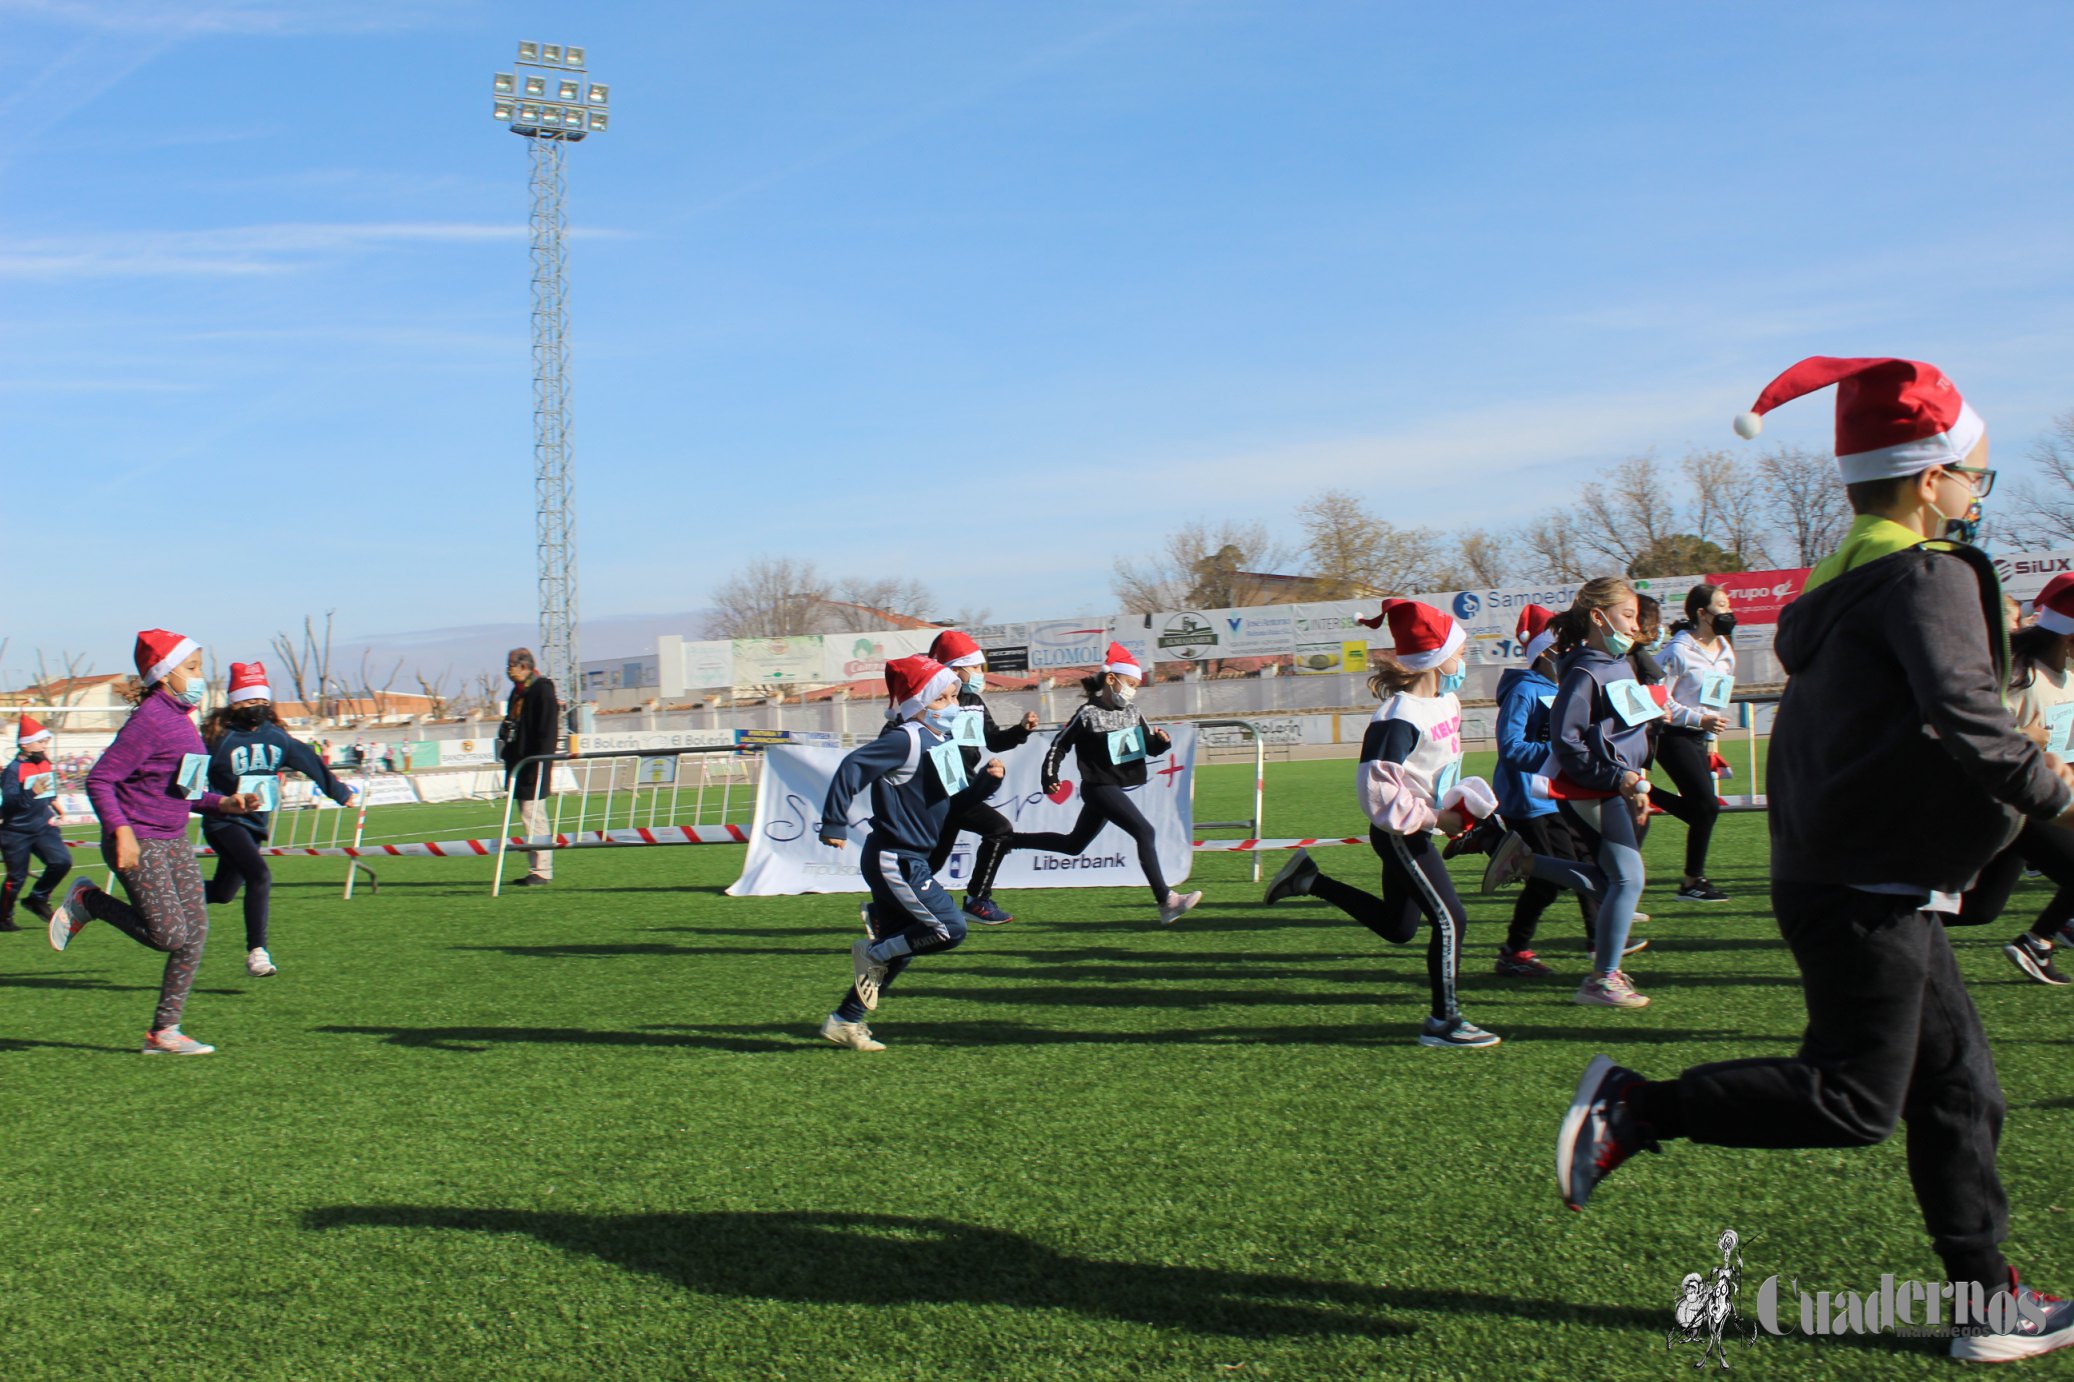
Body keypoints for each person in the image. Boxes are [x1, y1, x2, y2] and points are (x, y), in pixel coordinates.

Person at [1558, 356, 2074, 1363]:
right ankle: (1634, 1105)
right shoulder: (1921, 573)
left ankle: (1988, 1299)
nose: (1976, 492)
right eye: (1976, 475)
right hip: (1861, 880)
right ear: (1931, 479)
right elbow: (1968, 720)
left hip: (1865, 872)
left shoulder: (1847, 575)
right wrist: (2059, 792)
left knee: (1962, 1090)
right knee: (1852, 1098)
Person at [1261, 599, 1501, 1048]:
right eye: (1462, 652)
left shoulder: (1448, 701)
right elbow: (1379, 793)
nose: (1466, 662)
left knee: (1399, 928)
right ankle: (1443, 1022)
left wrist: (1462, 806)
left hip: (1422, 826)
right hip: (1401, 834)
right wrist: (1438, 816)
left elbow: (1434, 772)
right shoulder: (1398, 718)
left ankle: (1310, 879)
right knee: (1452, 920)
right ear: (1436, 657)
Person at [46, 629, 261, 1056]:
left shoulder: (183, 719)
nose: (201, 676)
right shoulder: (150, 720)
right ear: (164, 674)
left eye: (201, 667)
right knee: (168, 936)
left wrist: (228, 804)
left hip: (173, 838)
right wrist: (120, 831)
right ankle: (89, 902)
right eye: (193, 667)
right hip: (137, 840)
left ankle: (164, 1032)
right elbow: (101, 779)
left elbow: (188, 792)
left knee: (195, 932)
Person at [1483, 577, 1659, 1009]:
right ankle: (1602, 977)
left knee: (1609, 878)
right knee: (1627, 876)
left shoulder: (1617, 664)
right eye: (1628, 616)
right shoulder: (1583, 670)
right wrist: (1619, 779)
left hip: (1619, 783)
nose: (1635, 626)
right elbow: (1567, 742)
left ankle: (1524, 862)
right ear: (1599, 618)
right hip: (1595, 786)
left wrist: (1638, 774)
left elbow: (1628, 730)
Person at [818, 655, 1006, 1051]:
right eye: (941, 700)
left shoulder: (942, 742)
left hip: (908, 858)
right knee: (949, 929)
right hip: (894, 858)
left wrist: (987, 786)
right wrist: (833, 823)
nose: (952, 705)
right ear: (917, 706)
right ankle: (872, 951)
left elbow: (956, 800)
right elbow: (851, 767)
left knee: (904, 946)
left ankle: (844, 1020)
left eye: (955, 696)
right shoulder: (905, 738)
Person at [1002, 643, 1202, 925]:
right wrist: (1050, 775)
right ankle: (1166, 900)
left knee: (1073, 845)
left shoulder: (1134, 712)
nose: (1132, 690)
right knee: (1145, 832)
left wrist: (1160, 744)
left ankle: (1010, 840)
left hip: (1112, 788)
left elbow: (1146, 748)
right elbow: (1059, 746)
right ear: (1112, 679)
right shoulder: (1087, 714)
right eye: (1130, 684)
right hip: (1097, 788)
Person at [199, 661, 358, 977]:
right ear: (234, 703)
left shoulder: (277, 738)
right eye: (247, 702)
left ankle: (167, 890)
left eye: (260, 701)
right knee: (260, 875)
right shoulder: (218, 739)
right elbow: (187, 778)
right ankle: (257, 952)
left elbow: (309, 761)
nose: (255, 707)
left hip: (255, 824)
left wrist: (339, 792)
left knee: (222, 892)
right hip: (224, 821)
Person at [1953, 572, 2074, 985]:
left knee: (1978, 910)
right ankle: (2038, 943)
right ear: (2068, 638)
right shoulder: (2017, 675)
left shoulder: (2067, 681)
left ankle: (1876, 920)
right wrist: (2026, 737)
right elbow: (1971, 735)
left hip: (2030, 802)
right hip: (2004, 800)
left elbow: (2067, 756)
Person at [1489, 605, 1599, 977]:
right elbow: (1510, 747)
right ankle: (1513, 951)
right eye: (1566, 647)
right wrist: (1559, 752)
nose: (1572, 652)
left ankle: (1601, 941)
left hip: (1551, 796)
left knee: (1580, 864)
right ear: (1547, 651)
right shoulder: (1523, 691)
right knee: (1553, 878)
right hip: (1525, 801)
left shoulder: (1559, 687)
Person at [923, 629, 1039, 925]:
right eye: (974, 667)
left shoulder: (974, 700)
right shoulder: (931, 700)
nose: (979, 673)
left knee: (932, 861)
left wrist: (1021, 730)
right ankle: (977, 900)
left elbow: (994, 741)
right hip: (942, 789)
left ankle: (884, 911)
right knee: (999, 829)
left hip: (964, 787)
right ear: (953, 669)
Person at [1659, 584, 1740, 901]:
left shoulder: (1725, 651)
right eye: (1721, 605)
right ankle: (1692, 882)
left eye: (1729, 603)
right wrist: (1698, 720)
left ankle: (1639, 790)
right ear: (1701, 614)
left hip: (1697, 737)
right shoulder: (1677, 651)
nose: (1729, 611)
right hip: (1669, 735)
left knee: (1701, 810)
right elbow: (1659, 703)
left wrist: (1709, 732)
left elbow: (1714, 700)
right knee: (1706, 806)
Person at [1, 715, 70, 932]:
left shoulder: (45, 762)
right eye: (41, 742)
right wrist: (32, 792)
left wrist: (54, 802)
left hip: (42, 828)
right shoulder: (13, 770)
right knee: (16, 878)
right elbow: (10, 804)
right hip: (15, 832)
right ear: (25, 744)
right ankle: (3, 917)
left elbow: (48, 789)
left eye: (46, 741)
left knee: (62, 861)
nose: (45, 745)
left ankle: (37, 898)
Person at [500, 647, 560, 887]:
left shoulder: (542, 691)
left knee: (534, 816)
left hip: (534, 765)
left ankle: (542, 870)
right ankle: (535, 867)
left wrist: (539, 763)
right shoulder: (518, 693)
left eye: (510, 667)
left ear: (524, 667)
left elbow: (547, 732)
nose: (508, 672)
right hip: (520, 764)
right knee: (527, 816)